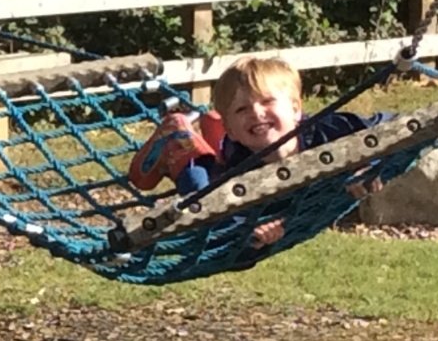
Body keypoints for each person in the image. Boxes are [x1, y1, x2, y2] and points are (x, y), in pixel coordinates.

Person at [128, 56, 384, 247]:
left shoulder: (330, 129)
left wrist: (367, 163)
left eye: (267, 101)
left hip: (239, 142)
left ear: (296, 109)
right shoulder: (240, 171)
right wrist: (253, 232)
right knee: (199, 190)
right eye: (242, 109)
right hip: (228, 157)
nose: (256, 112)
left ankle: (212, 123)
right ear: (231, 129)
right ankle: (179, 138)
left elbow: (391, 129)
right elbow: (225, 220)